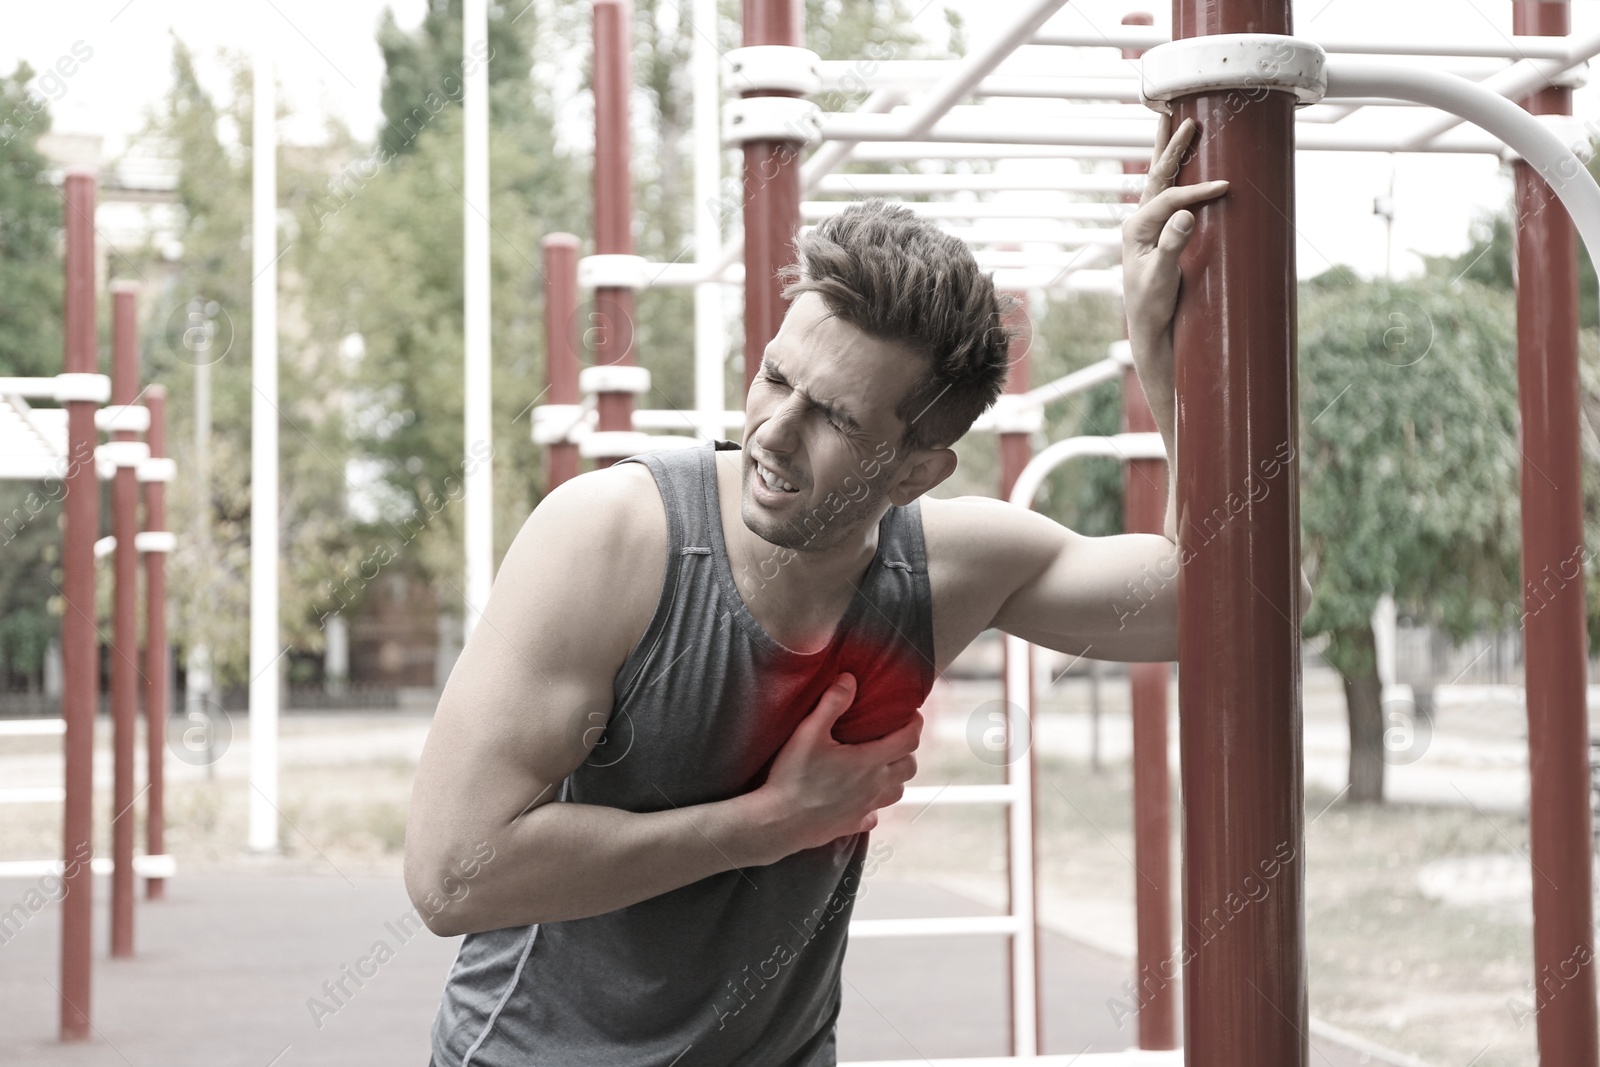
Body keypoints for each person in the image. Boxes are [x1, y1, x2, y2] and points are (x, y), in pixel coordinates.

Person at [410, 116, 1292, 1066]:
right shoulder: (612, 537)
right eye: (774, 378)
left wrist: (1164, 353)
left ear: (917, 470)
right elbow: (451, 877)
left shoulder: (947, 571)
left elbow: (1254, 605)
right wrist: (761, 828)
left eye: (833, 416)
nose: (775, 434)